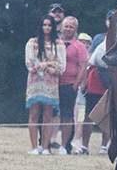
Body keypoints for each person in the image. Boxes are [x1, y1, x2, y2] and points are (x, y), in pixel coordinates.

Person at [25, 15, 66, 155]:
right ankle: (34, 147)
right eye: (44, 25)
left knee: (49, 113)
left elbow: (61, 67)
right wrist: (42, 66)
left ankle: (46, 147)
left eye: (49, 25)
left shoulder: (59, 44)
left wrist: (47, 65)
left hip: (51, 83)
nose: (47, 28)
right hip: (35, 82)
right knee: (34, 112)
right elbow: (29, 63)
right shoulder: (32, 42)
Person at [55, 16, 89, 154]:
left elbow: (83, 67)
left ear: (76, 29)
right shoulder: (55, 43)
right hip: (52, 84)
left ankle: (64, 145)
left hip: (69, 84)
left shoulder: (79, 46)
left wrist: (75, 85)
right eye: (66, 26)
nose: (68, 29)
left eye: (71, 27)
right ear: (62, 27)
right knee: (49, 114)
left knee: (67, 115)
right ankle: (45, 143)